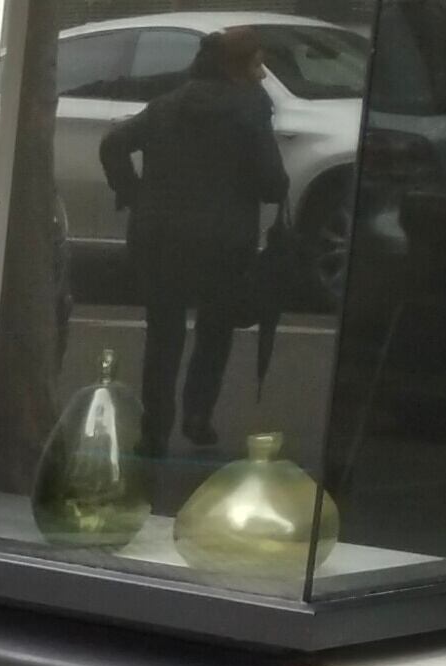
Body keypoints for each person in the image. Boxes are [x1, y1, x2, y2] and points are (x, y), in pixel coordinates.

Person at [100, 28, 287, 454]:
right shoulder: (251, 109)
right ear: (234, 68)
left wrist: (132, 192)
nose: (261, 75)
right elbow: (273, 185)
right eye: (256, 64)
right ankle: (198, 417)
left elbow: (112, 145)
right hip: (223, 244)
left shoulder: (168, 105)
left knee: (163, 335)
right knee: (215, 330)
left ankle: (154, 431)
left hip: (158, 238)